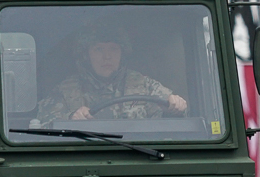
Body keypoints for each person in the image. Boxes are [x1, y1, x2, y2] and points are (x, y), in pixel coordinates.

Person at [34, 22, 186, 124]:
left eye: (114, 49)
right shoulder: (66, 91)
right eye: (98, 49)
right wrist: (70, 118)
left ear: (122, 53)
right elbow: (42, 125)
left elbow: (174, 119)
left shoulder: (144, 85)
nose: (107, 56)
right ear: (86, 55)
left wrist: (176, 108)